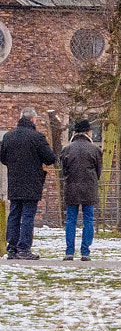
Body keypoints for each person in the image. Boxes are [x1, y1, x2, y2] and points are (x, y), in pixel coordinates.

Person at [0, 107, 57, 261]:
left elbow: (3, 158)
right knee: (27, 216)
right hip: (32, 182)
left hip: (14, 181)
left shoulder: (8, 136)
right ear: (33, 119)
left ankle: (11, 248)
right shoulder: (37, 137)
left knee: (14, 214)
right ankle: (24, 248)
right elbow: (49, 158)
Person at [59, 119, 102, 260]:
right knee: (88, 220)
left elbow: (63, 171)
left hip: (71, 187)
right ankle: (85, 252)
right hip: (89, 188)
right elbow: (98, 172)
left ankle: (69, 251)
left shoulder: (67, 149)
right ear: (88, 132)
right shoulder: (95, 149)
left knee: (71, 220)